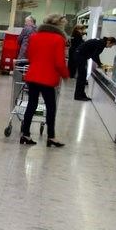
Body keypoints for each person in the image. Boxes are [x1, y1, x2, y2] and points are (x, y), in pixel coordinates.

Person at [20, 14, 69, 148]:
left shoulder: (34, 36)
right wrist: (66, 75)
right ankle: (51, 137)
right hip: (47, 79)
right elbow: (59, 63)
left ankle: (25, 134)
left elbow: (29, 55)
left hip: (32, 75)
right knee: (51, 107)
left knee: (31, 104)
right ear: (59, 25)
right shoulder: (59, 39)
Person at [73, 36, 116, 101]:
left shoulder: (100, 41)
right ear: (109, 42)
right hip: (80, 56)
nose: (110, 47)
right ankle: (78, 95)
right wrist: (100, 64)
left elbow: (95, 55)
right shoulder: (101, 44)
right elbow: (95, 55)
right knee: (81, 77)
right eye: (111, 45)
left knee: (83, 77)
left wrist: (100, 64)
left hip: (80, 55)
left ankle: (81, 94)